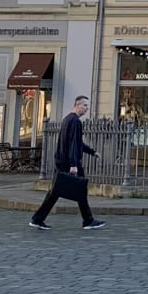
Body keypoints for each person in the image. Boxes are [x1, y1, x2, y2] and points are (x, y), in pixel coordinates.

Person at [29, 95, 104, 232]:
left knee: (56, 192)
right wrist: (73, 164)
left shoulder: (67, 119)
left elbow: (77, 143)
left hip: (62, 160)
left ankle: (38, 219)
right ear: (77, 105)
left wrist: (92, 152)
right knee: (79, 190)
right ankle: (88, 220)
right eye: (84, 105)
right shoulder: (75, 122)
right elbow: (73, 144)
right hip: (69, 162)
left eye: (87, 106)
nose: (86, 108)